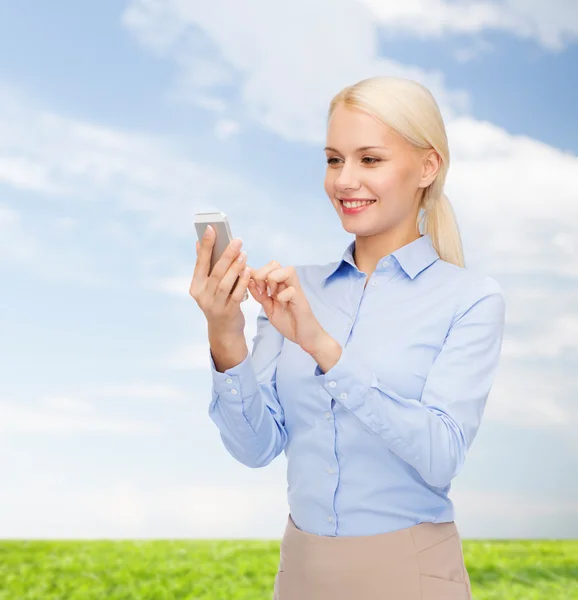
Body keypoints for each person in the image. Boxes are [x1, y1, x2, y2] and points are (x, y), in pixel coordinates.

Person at [189, 76, 506, 600]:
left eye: (370, 160)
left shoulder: (470, 299)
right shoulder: (295, 290)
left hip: (411, 575)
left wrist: (324, 349)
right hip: (302, 574)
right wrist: (226, 336)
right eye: (334, 160)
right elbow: (256, 448)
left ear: (427, 167)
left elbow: (442, 453)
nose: (344, 180)